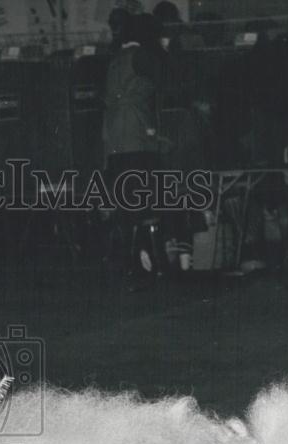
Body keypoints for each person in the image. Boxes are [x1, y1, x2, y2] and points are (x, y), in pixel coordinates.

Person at [102, 13, 162, 279]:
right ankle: (143, 259)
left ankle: (126, 260)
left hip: (116, 139)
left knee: (125, 205)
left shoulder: (116, 60)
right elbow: (166, 83)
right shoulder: (142, 57)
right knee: (143, 203)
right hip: (137, 136)